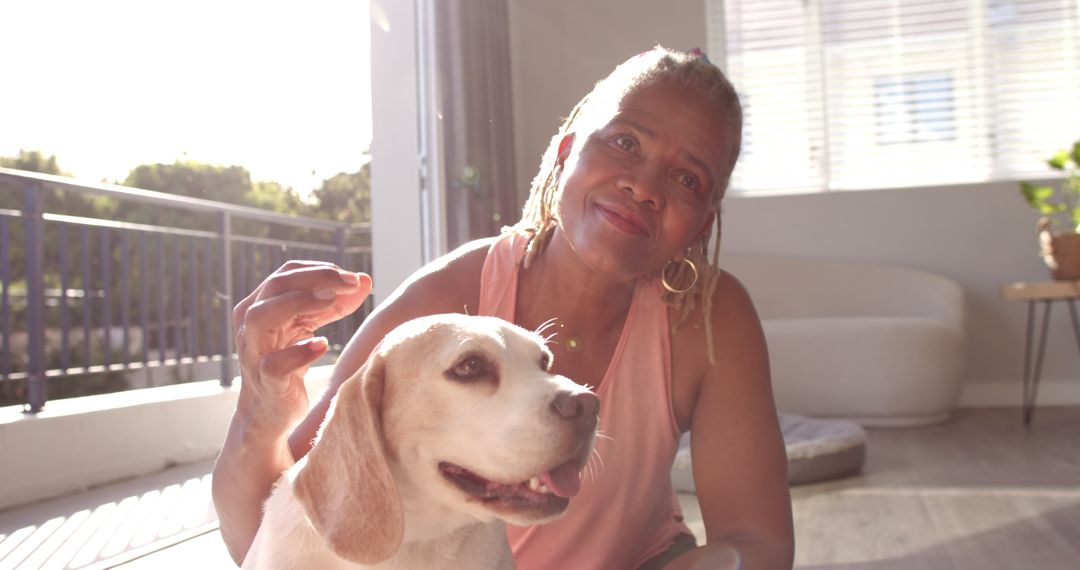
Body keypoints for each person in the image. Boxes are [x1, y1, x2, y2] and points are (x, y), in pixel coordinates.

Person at [212, 46, 794, 569]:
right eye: (624, 143)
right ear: (566, 153)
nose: (645, 186)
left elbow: (756, 541)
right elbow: (272, 536)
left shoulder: (713, 318)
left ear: (703, 225)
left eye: (688, 179)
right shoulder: (442, 302)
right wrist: (260, 416)